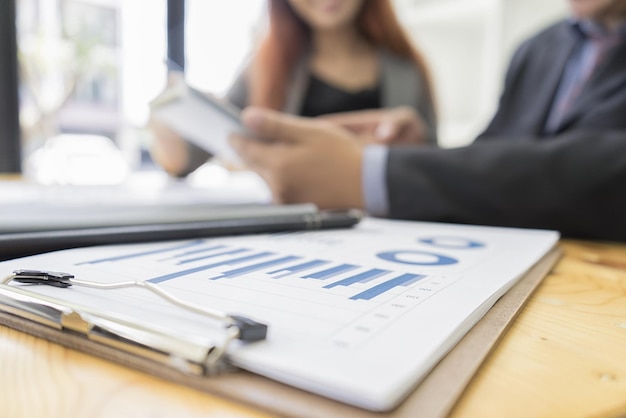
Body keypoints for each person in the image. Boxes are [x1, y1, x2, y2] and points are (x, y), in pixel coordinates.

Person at [228, 0, 626, 242]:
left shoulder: (405, 68)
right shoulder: (537, 48)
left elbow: (602, 173)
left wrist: (378, 172)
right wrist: (416, 157)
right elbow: (494, 155)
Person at [150, 0, 436, 177]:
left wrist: (410, 154)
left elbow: (438, 169)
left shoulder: (407, 70)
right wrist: (171, 125)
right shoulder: (263, 66)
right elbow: (188, 157)